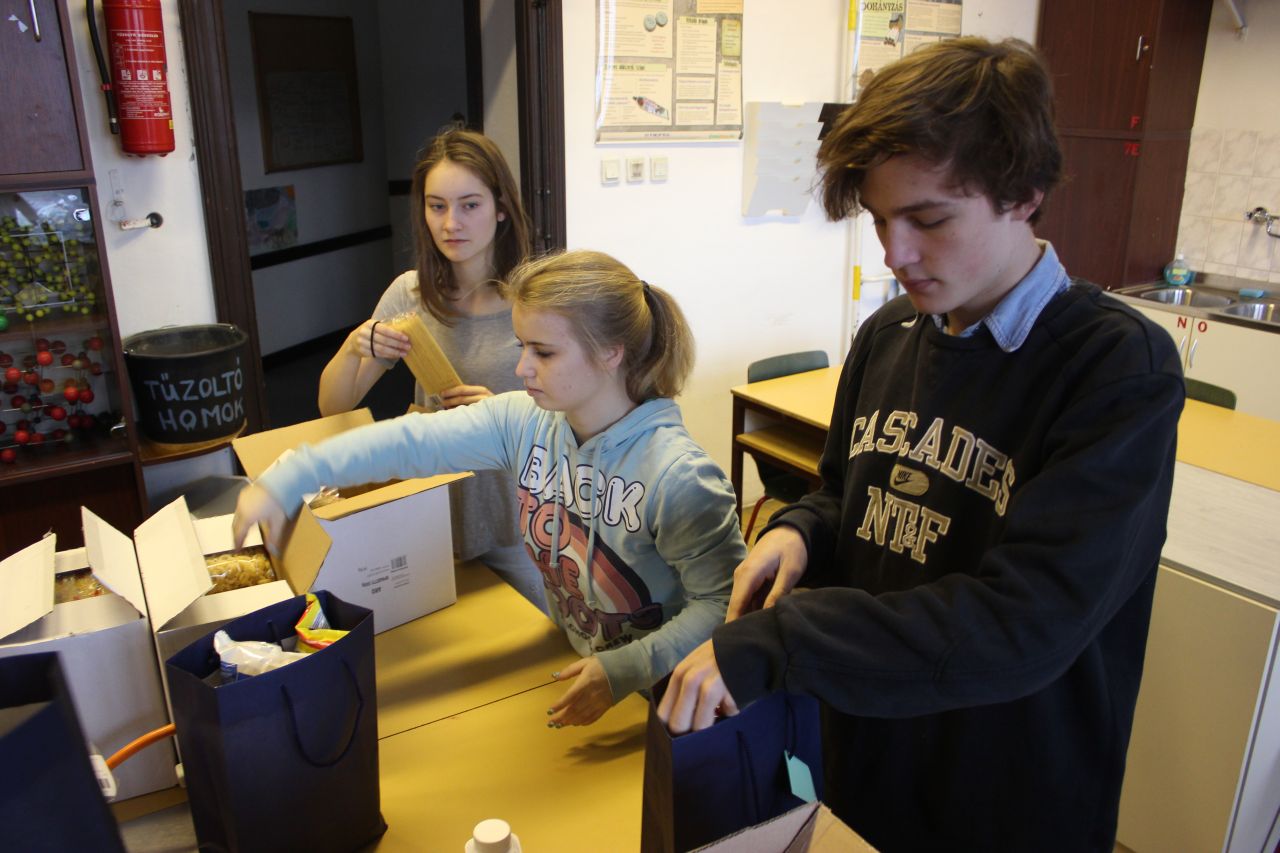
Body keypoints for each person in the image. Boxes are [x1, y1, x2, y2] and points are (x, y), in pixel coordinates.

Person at [658, 37, 1184, 852]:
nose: (894, 253)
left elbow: (1024, 622)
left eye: (929, 219)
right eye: (880, 219)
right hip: (871, 757)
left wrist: (784, 639)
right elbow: (844, 492)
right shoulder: (889, 333)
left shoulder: (1116, 366)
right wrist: (799, 532)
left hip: (1008, 796)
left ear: (1025, 193)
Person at [235, 250, 746, 727]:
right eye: (522, 347)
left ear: (611, 353)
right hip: (580, 670)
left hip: (672, 700)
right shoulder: (524, 422)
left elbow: (723, 604)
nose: (523, 369)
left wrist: (624, 669)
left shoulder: (679, 476)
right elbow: (409, 442)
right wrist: (294, 475)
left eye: (544, 352)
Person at [317, 129, 543, 610]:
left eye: (470, 205)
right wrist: (355, 347)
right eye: (436, 206)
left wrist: (505, 413)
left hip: (519, 517)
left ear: (501, 208)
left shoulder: (537, 297)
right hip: (430, 510)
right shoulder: (410, 294)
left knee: (537, 638)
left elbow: (584, 414)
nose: (451, 223)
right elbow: (333, 406)